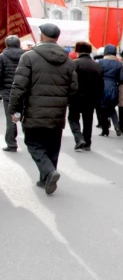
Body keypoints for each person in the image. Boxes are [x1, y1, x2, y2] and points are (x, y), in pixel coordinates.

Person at [8, 23, 78, 194]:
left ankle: (48, 172)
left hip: (34, 111)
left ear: (41, 36)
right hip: (58, 112)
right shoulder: (68, 61)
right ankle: (45, 179)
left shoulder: (29, 57)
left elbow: (19, 87)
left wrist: (14, 109)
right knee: (53, 146)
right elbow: (74, 88)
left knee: (33, 143)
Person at [68, 42, 104, 152]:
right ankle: (87, 143)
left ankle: (79, 138)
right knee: (88, 120)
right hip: (91, 97)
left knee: (73, 118)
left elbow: (69, 80)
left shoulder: (75, 63)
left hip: (76, 96)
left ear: (78, 51)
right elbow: (101, 83)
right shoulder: (96, 65)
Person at [0, 35, 25, 152]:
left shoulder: (2, 57)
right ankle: (31, 142)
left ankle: (11, 143)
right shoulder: (27, 56)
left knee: (10, 119)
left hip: (8, 92)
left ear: (7, 45)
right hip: (24, 91)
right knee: (26, 118)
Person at [98, 45, 123, 137]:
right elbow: (121, 78)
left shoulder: (100, 62)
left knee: (102, 109)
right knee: (112, 109)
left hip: (102, 87)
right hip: (113, 87)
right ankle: (117, 126)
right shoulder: (118, 64)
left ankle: (105, 130)